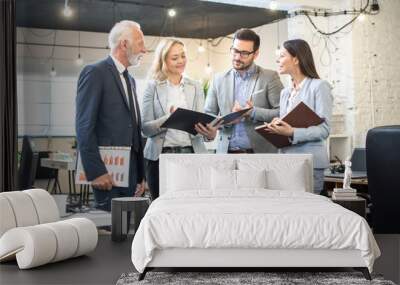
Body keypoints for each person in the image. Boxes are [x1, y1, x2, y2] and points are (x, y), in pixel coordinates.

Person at [76, 20, 147, 211]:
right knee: (112, 231)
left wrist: (141, 175)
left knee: (128, 230)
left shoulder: (130, 80)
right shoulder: (95, 73)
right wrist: (95, 172)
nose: (145, 50)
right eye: (140, 43)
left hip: (131, 173)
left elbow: (134, 127)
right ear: (124, 44)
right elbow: (84, 127)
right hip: (106, 172)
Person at [195, 28, 283, 153]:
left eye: (244, 53)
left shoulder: (269, 77)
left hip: (259, 154)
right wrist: (219, 125)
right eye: (235, 51)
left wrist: (252, 112)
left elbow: (283, 114)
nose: (237, 57)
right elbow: (209, 116)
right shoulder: (218, 79)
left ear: (255, 54)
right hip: (225, 153)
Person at [141, 38, 208, 200]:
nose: (181, 61)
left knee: (190, 207)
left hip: (191, 156)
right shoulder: (152, 86)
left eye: (183, 56)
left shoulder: (196, 86)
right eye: (174, 57)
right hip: (159, 157)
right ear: (163, 60)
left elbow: (200, 124)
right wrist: (168, 119)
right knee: (161, 207)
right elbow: (145, 129)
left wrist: (208, 131)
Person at [266, 39, 333, 194]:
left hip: (309, 163)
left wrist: (293, 132)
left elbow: (324, 129)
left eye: (282, 56)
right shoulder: (285, 93)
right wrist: (278, 127)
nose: (278, 60)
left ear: (296, 59)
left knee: (307, 212)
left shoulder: (319, 86)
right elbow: (287, 126)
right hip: (285, 162)